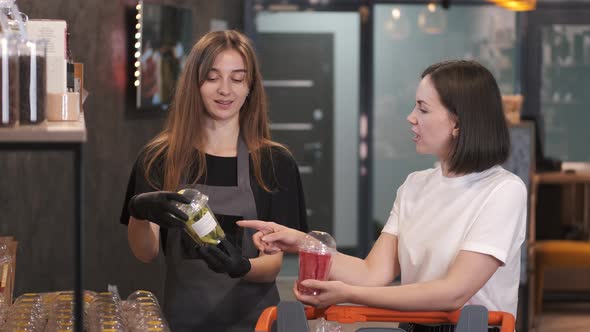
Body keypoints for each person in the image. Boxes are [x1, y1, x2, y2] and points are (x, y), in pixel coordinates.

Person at [239, 60, 527, 331]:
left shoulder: (503, 191)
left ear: (458, 123)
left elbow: (453, 292)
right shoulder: (415, 185)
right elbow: (370, 272)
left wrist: (350, 294)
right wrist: (299, 242)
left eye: (423, 109)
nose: (411, 118)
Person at [120, 30, 308, 331]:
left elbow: (272, 265)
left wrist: (243, 266)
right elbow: (146, 252)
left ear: (250, 87)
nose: (225, 90)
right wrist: (139, 212)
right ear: (194, 83)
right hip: (183, 322)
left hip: (256, 324)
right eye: (212, 77)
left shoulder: (275, 163)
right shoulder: (158, 158)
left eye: (237, 78)